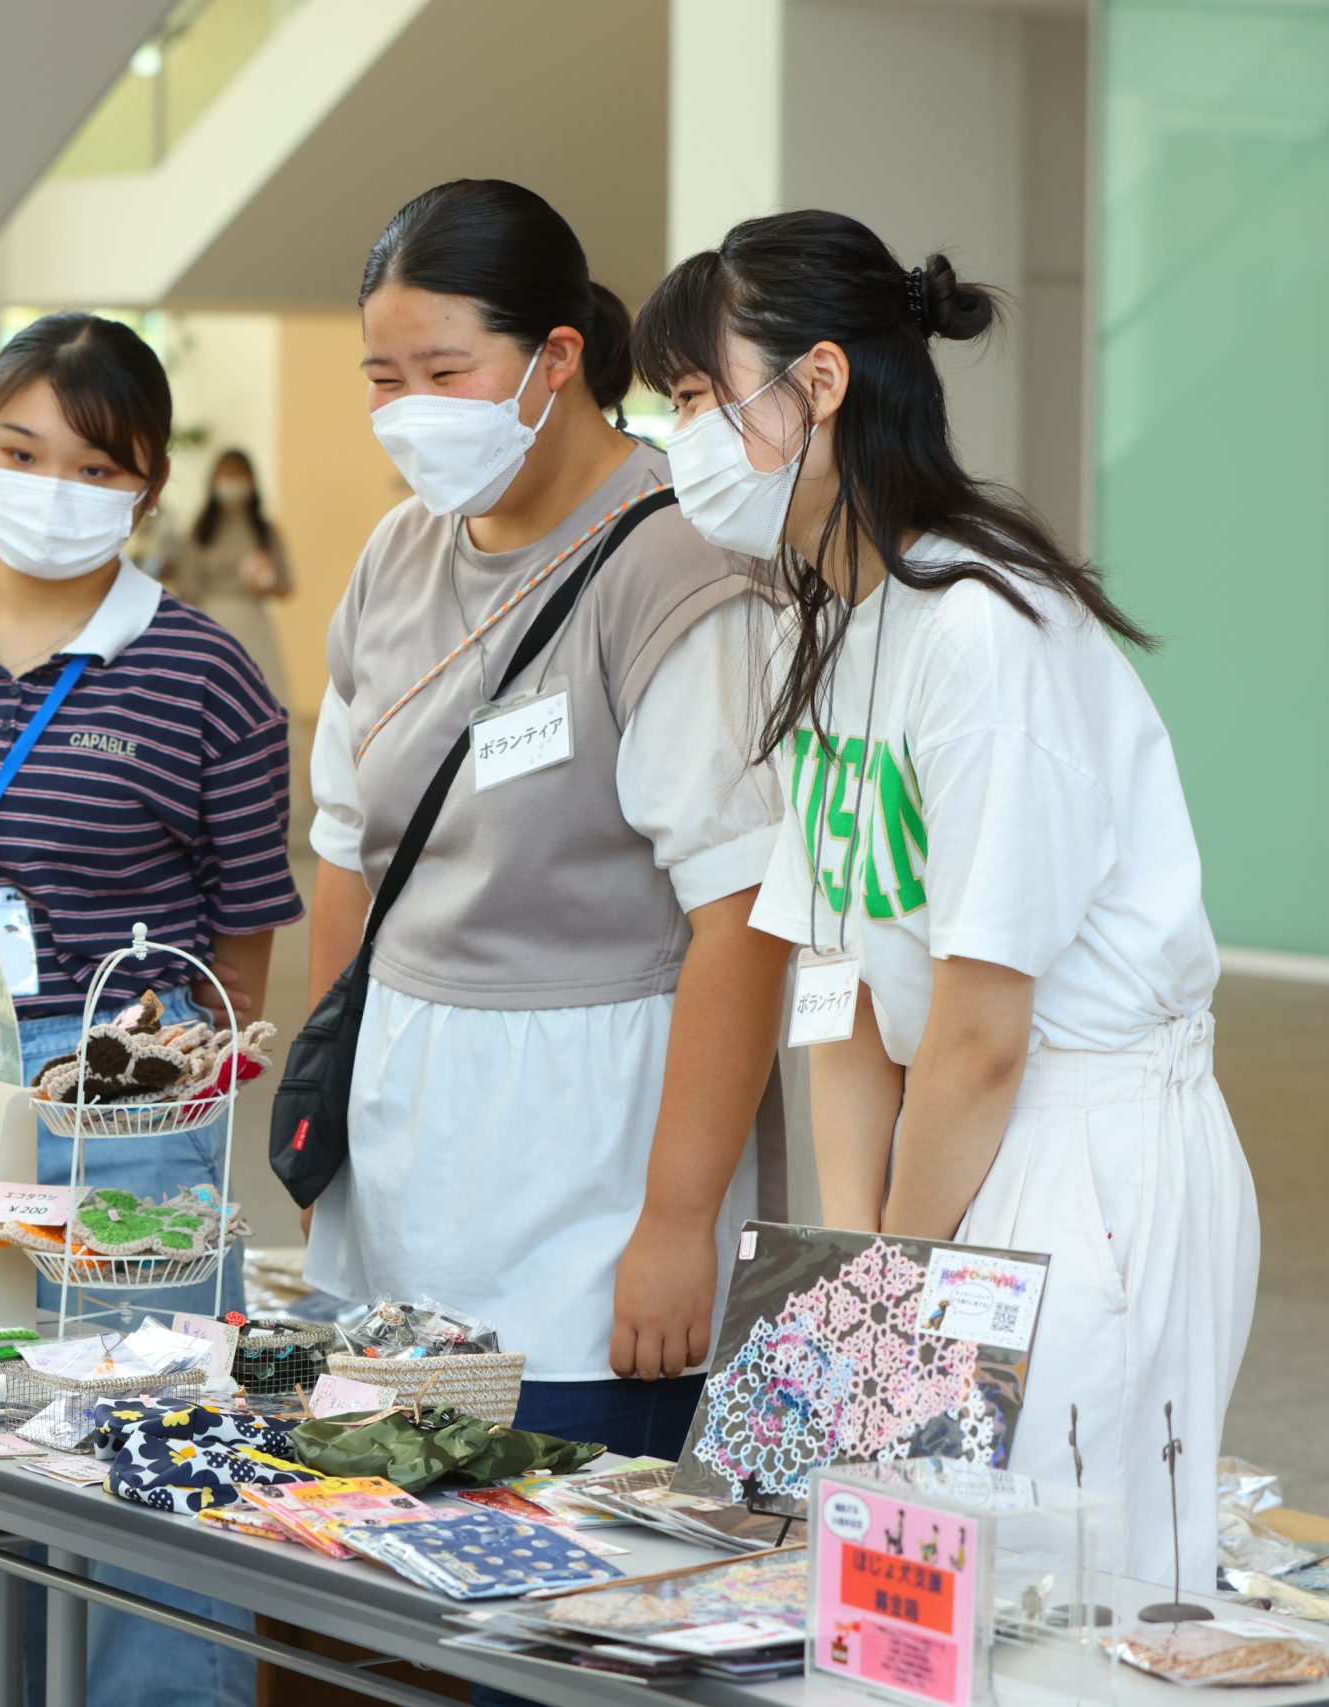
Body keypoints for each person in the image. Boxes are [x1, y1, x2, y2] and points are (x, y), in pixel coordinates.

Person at [629, 208, 1257, 1583]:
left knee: (1064, 1598)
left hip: (1078, 1146)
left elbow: (982, 1028)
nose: (675, 436)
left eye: (693, 395)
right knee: (893, 1595)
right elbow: (838, 988)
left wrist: (889, 1304)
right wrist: (854, 1271)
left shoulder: (984, 628)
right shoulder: (834, 622)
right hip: (951, 1151)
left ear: (822, 382)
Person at [305, 180, 791, 1489]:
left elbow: (742, 915)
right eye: (382, 375)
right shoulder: (398, 555)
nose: (409, 405)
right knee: (404, 1543)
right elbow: (344, 847)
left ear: (558, 357)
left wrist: (680, 1222)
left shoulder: (675, 566)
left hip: (594, 1155)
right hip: (410, 1150)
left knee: (570, 1557)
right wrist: (327, 1103)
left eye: (446, 368)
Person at [0, 312, 301, 1707]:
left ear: (149, 487)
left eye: (95, 463)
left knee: (155, 1447)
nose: (52, 486)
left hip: (130, 1086)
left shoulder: (208, 672)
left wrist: (163, 1082)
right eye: (19, 448)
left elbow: (246, 930)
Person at [167, 447, 292, 686]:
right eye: (227, 474)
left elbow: (285, 587)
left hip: (253, 620)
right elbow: (187, 586)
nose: (232, 481)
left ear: (252, 480)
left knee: (259, 686)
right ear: (214, 480)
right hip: (209, 619)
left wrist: (265, 582)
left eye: (239, 474)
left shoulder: (265, 532)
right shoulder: (201, 531)